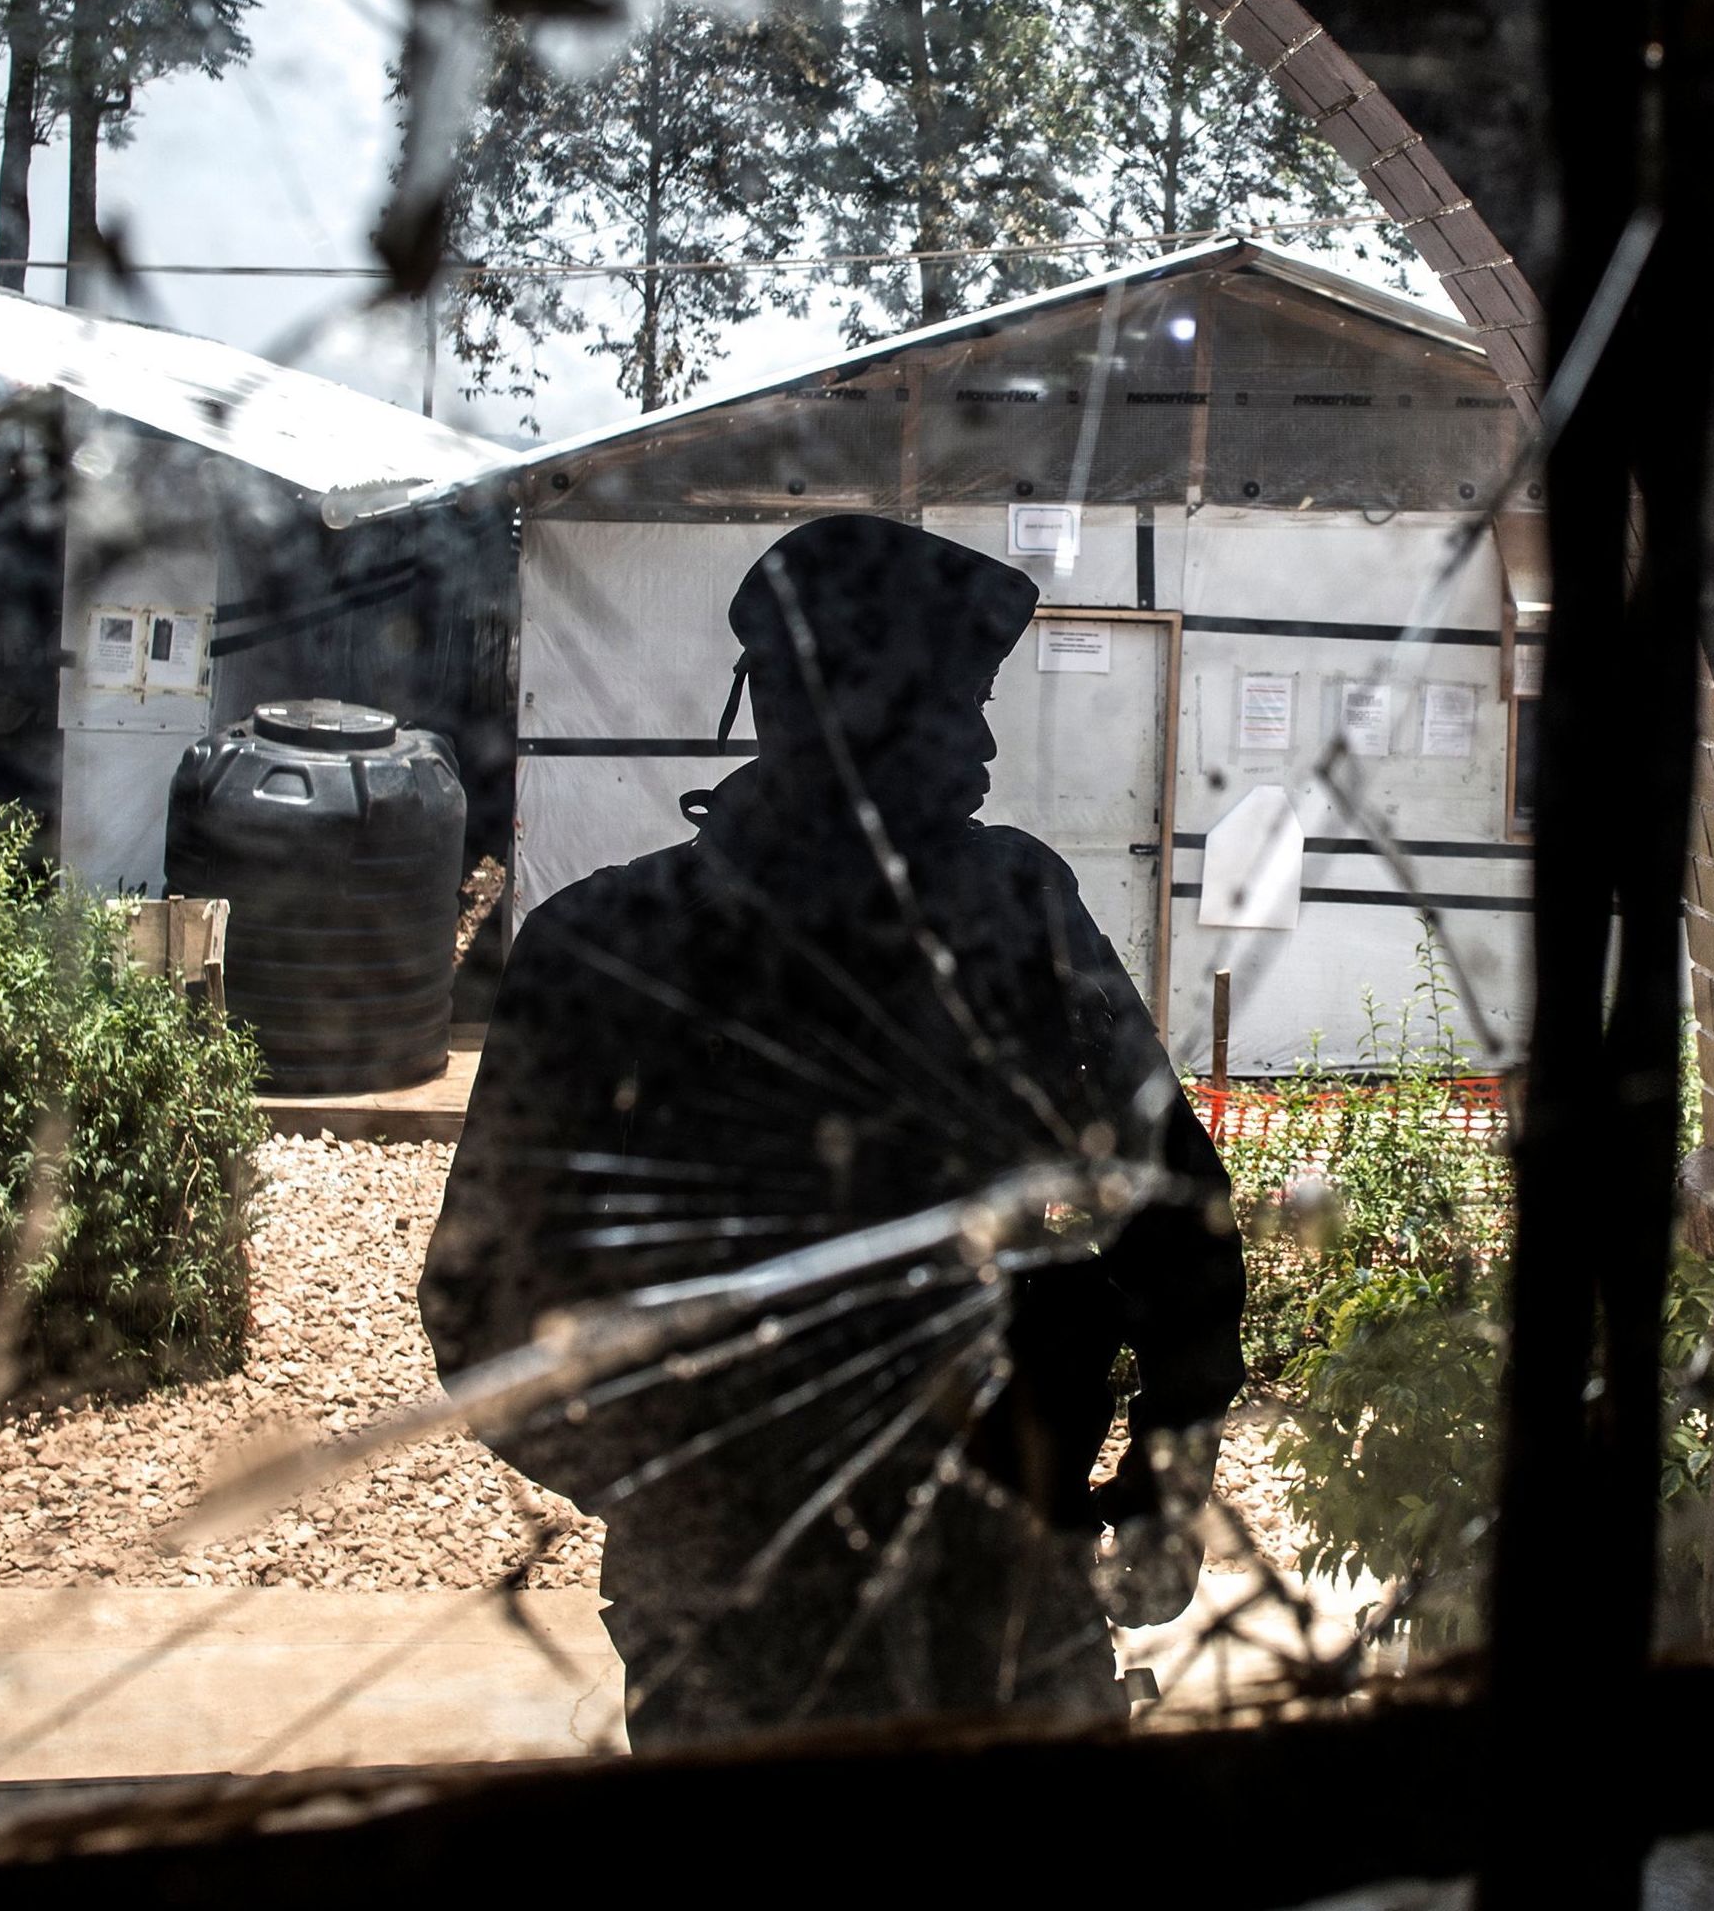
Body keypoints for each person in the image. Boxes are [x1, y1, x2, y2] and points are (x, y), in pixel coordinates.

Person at [420, 515, 1245, 1746]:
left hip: (865, 1592)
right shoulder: (998, 911)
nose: (981, 742)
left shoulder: (612, 940)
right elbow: (483, 1304)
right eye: (944, 704)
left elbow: (1177, 1209)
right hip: (885, 1596)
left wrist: (683, 1503)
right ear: (820, 712)